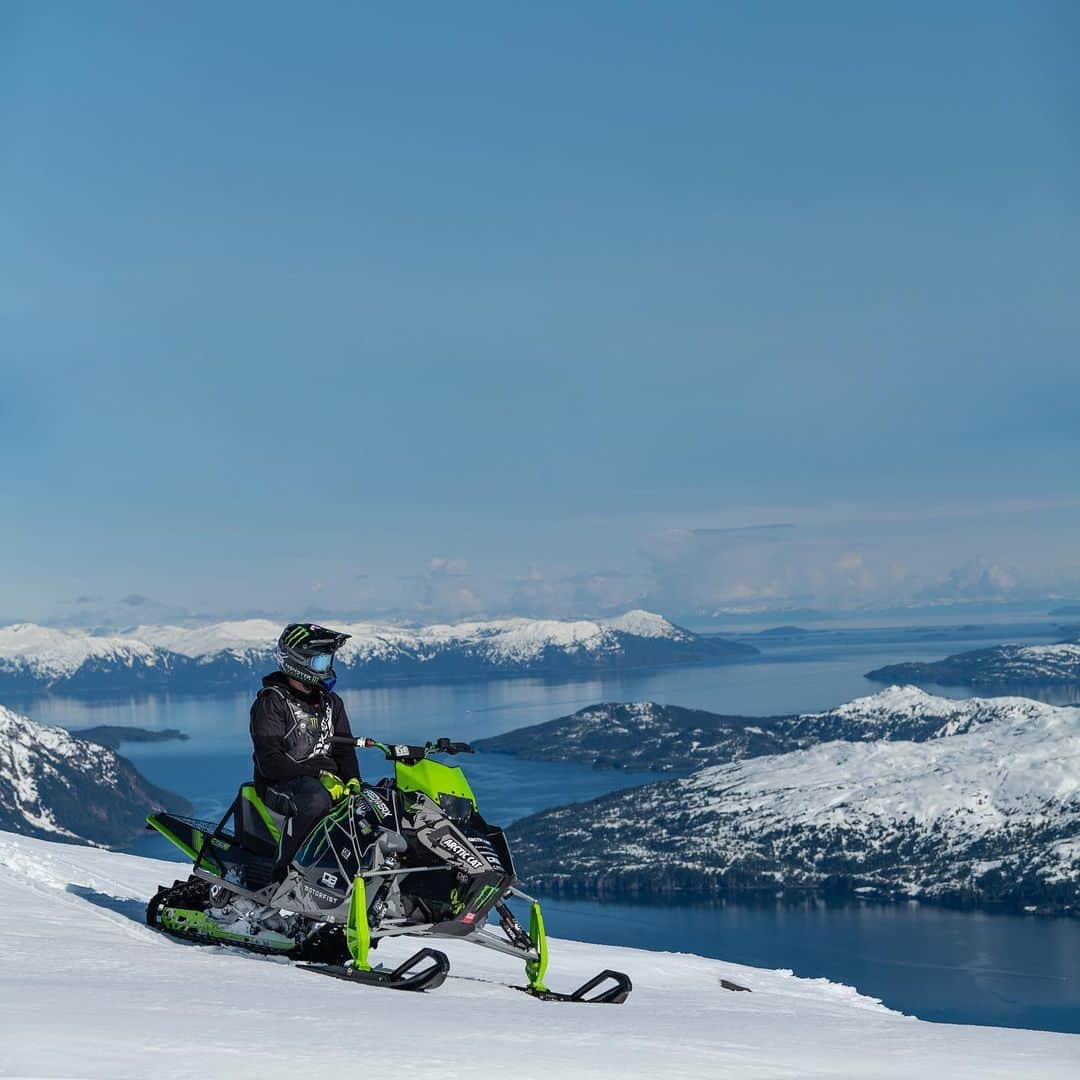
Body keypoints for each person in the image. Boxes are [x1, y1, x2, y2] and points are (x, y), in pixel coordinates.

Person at [249, 622, 361, 875]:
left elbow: (344, 749)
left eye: (328, 661)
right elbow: (269, 762)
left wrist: (353, 779)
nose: (328, 668)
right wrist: (317, 774)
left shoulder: (332, 702)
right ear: (298, 662)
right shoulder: (272, 702)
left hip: (322, 779)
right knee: (315, 800)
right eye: (321, 662)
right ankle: (285, 875)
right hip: (278, 783)